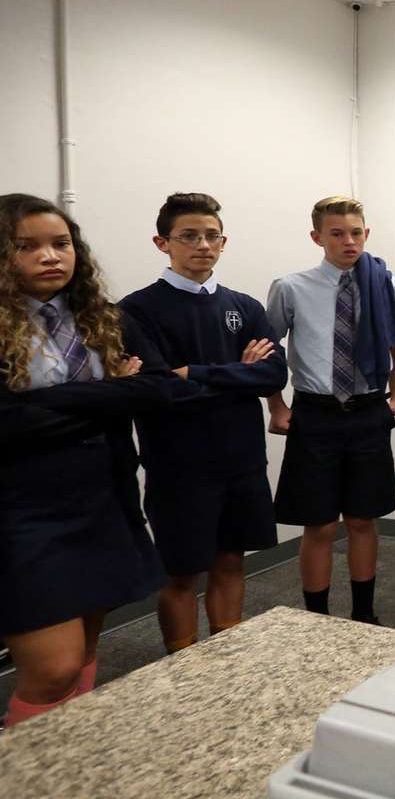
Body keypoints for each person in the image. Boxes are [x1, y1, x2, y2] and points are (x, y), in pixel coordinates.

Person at [0, 194, 173, 727]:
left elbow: (160, 389)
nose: (50, 256)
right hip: (22, 512)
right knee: (54, 667)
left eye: (61, 243)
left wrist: (44, 407)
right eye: (27, 246)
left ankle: (69, 758)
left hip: (104, 498)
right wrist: (113, 394)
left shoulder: (103, 317)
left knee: (85, 650)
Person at [121, 193, 287, 653]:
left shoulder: (245, 306)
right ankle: (182, 664)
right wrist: (240, 373)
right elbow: (159, 389)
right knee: (179, 572)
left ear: (223, 241)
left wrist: (195, 372)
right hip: (179, 466)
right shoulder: (137, 310)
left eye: (212, 236)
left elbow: (274, 374)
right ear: (163, 243)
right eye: (189, 236)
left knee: (231, 561)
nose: (202, 245)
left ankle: (223, 661)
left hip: (242, 460)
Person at [265, 196, 395, 625]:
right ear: (317, 237)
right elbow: (267, 353)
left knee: (363, 520)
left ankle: (364, 613)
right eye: (337, 233)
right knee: (320, 525)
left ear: (367, 233)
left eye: (356, 232)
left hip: (367, 410)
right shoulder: (290, 288)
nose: (349, 241)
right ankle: (317, 618)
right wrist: (277, 405)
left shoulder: (386, 285)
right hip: (316, 414)